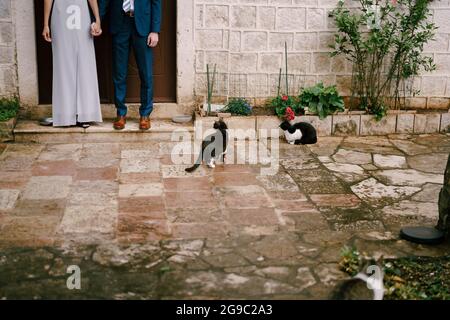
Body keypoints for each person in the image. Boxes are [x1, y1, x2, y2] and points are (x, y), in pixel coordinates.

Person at [98, 0, 162, 131]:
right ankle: (121, 113)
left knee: (146, 73)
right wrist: (97, 21)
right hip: (119, 24)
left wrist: (155, 30)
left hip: (143, 25)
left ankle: (145, 114)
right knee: (119, 73)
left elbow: (156, 3)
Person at [42, 0, 103, 128]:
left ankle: (86, 113)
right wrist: (45, 24)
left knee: (85, 65)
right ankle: (64, 114)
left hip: (81, 16)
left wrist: (97, 19)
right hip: (60, 16)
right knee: (63, 66)